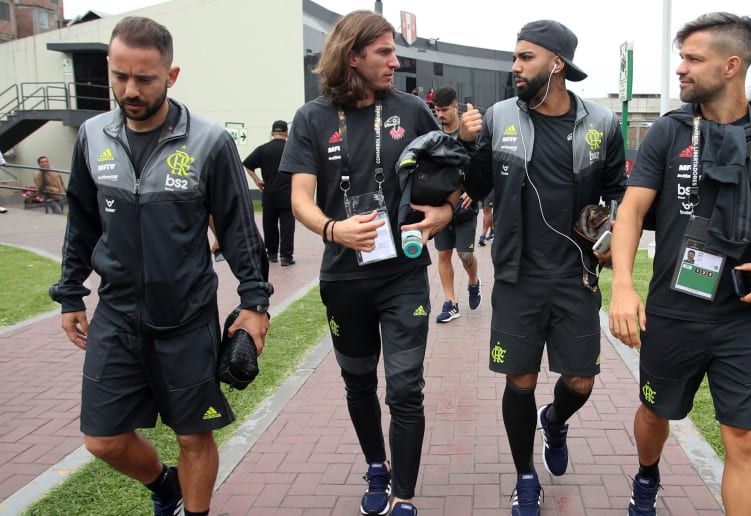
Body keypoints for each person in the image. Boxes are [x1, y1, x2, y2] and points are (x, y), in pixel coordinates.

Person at [49, 17, 272, 516]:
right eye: (119, 75)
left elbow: (239, 231)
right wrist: (69, 294)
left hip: (187, 319)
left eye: (145, 78)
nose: (130, 89)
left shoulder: (210, 143)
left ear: (171, 76)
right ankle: (165, 487)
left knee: (194, 436)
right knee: (102, 439)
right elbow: (81, 223)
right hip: (116, 316)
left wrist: (255, 303)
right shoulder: (91, 136)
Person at [607, 13, 751, 516]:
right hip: (674, 312)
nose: (680, 69)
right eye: (681, 57)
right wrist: (622, 284)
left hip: (744, 317)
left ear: (730, 66)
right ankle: (647, 474)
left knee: (746, 441)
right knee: (656, 414)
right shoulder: (667, 132)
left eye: (692, 59)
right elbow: (632, 211)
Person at [279, 11, 455, 516]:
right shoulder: (311, 118)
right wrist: (335, 230)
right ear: (352, 56)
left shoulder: (413, 112)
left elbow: (450, 181)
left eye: (394, 52)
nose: (395, 63)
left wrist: (444, 211)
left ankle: (403, 493)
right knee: (359, 381)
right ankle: (375, 465)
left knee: (405, 386)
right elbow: (300, 199)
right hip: (343, 278)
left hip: (402, 275)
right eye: (384, 52)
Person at [460, 20, 627, 516]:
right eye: (514, 57)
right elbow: (475, 187)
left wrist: (612, 230)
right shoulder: (496, 117)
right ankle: (525, 477)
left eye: (525, 57)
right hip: (516, 276)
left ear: (556, 64)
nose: (515, 67)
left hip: (576, 275)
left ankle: (555, 420)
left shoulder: (601, 123)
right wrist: (467, 144)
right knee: (520, 381)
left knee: (581, 381)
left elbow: (620, 189)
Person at [432, 86, 481, 322]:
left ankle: (473, 282)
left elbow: (482, 167)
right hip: (440, 207)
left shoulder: (470, 132)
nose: (440, 114)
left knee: (464, 255)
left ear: (455, 107)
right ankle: (451, 303)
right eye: (436, 110)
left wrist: (475, 191)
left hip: (464, 206)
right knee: (443, 255)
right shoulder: (433, 134)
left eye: (444, 110)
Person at [244, 120, 295, 266]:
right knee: (287, 227)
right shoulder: (291, 149)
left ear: (272, 133)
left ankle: (271, 254)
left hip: (269, 194)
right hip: (287, 194)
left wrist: (257, 180)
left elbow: (247, 164)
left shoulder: (263, 149)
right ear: (286, 133)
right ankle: (286, 257)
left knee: (269, 225)